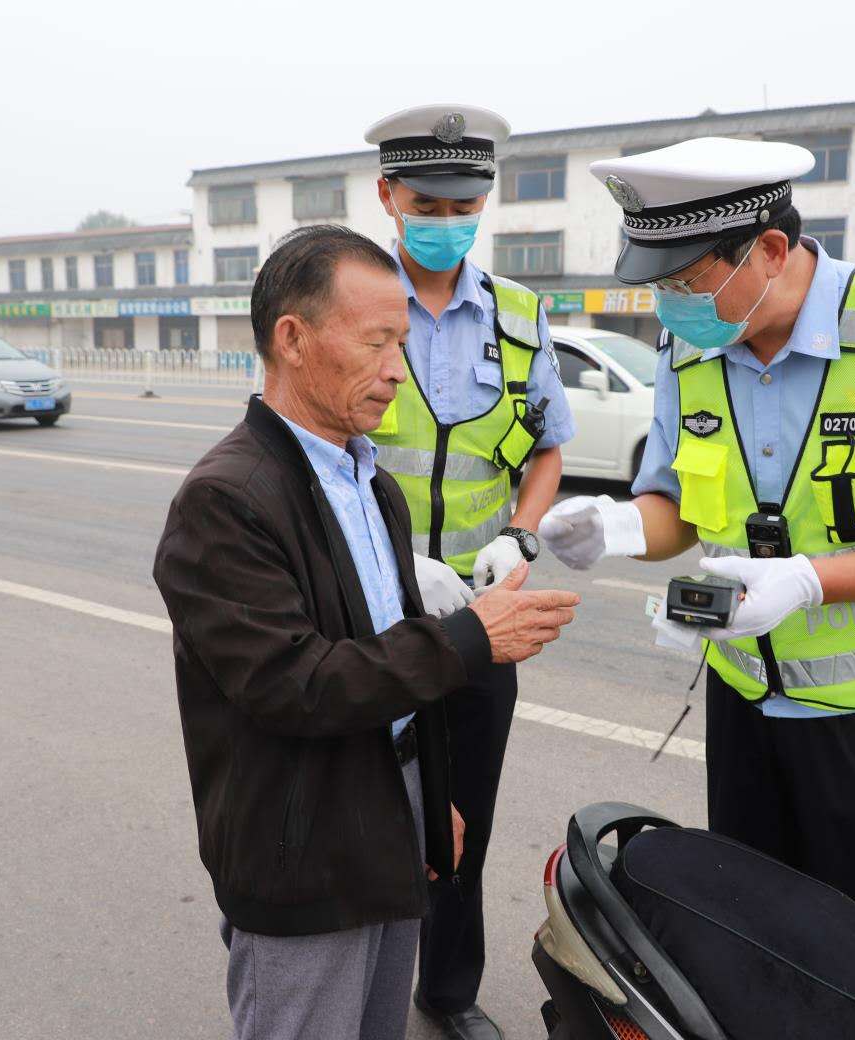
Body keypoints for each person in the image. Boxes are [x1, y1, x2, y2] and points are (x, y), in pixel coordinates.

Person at [540, 137, 855, 954]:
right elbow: (680, 510)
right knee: (751, 940)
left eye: (686, 282)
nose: (669, 305)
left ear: (769, 251)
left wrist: (808, 580)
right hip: (746, 701)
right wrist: (623, 526)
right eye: (657, 283)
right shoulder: (690, 346)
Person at [152, 225, 579, 1040]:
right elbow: (297, 685)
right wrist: (472, 639)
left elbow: (393, 676)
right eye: (378, 342)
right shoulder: (227, 500)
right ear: (293, 338)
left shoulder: (369, 481)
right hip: (301, 845)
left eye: (404, 344)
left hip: (387, 816)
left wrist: (430, 803)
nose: (396, 369)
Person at [362, 104, 576, 1040]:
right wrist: (390, 551)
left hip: (487, 613)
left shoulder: (521, 315)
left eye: (466, 202)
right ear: (388, 198)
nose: (448, 216)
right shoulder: (354, 305)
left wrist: (521, 537)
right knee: (363, 805)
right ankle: (353, 979)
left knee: (463, 816)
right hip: (370, 605)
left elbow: (548, 451)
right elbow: (314, 445)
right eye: (429, 200)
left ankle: (446, 991)